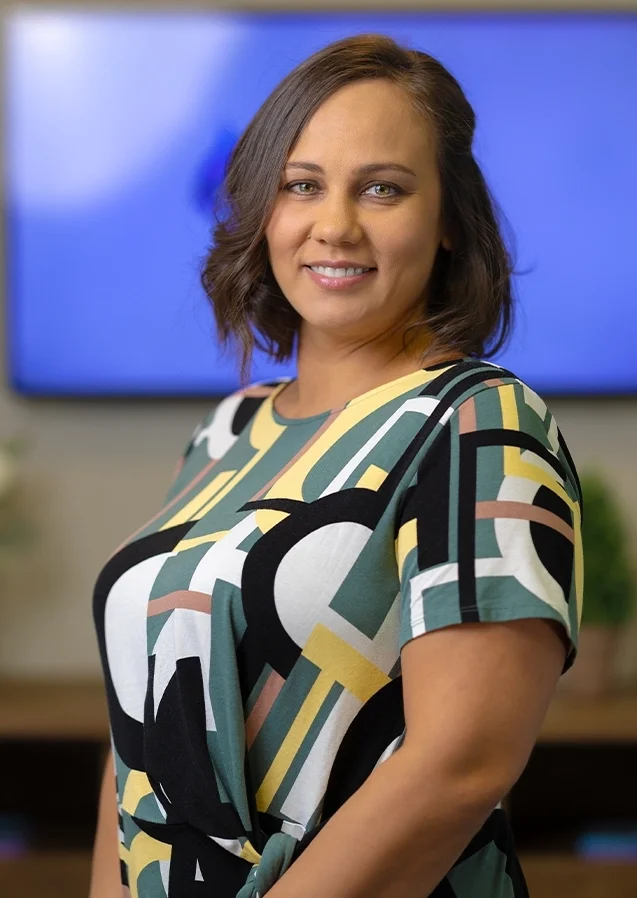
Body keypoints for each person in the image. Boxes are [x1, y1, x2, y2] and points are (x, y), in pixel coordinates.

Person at [90, 33, 582, 898]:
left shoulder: (479, 422)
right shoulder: (225, 431)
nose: (335, 226)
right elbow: (138, 742)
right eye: (301, 185)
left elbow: (461, 767)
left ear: (448, 222)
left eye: (382, 188)